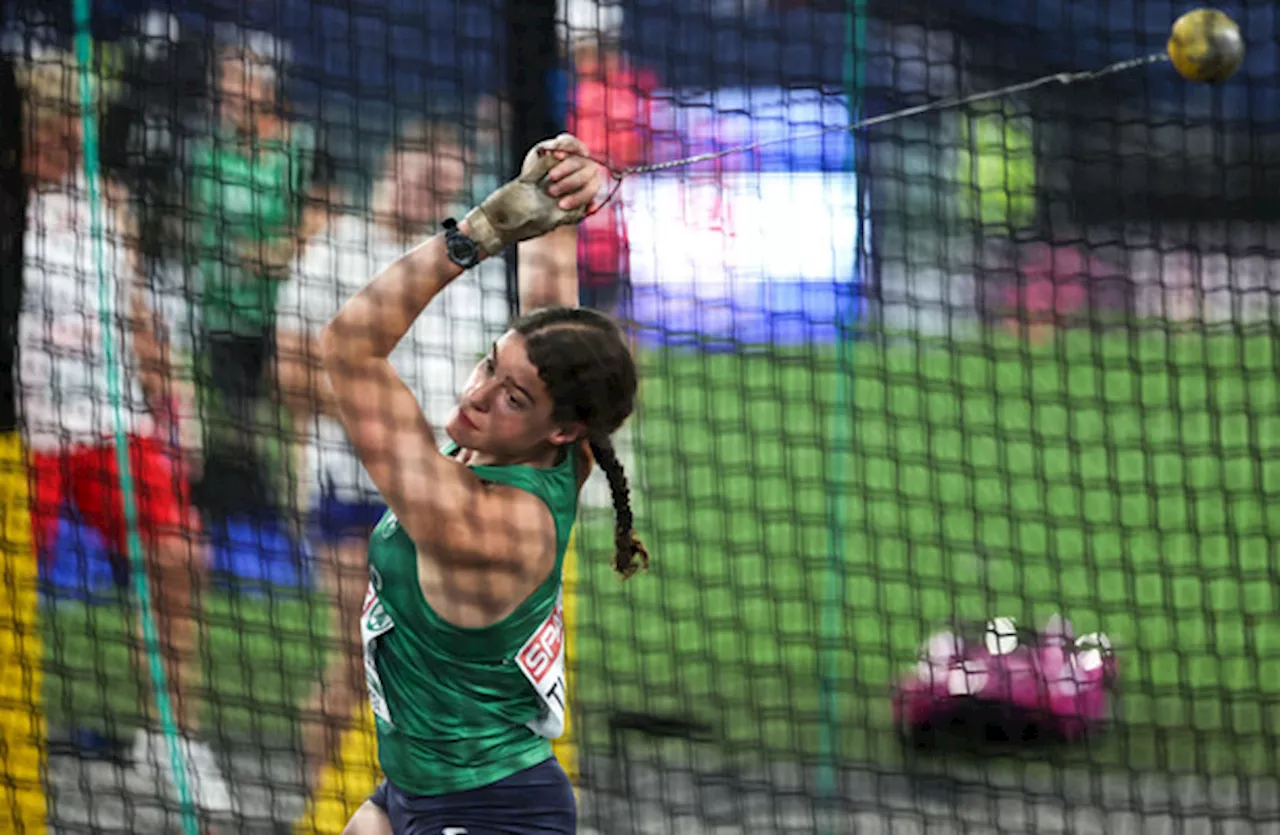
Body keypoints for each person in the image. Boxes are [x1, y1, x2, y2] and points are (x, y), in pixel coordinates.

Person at [322, 133, 647, 834]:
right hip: (409, 791)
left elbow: (349, 345)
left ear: (562, 428)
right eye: (488, 364)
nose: (477, 394)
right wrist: (560, 171)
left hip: (491, 811)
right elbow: (548, 296)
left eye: (513, 396)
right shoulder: (543, 448)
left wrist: (478, 232)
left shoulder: (476, 522)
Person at [14, 54, 233, 815]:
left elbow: (137, 313)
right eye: (57, 122)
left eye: (79, 121)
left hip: (113, 422)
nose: (73, 136)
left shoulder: (107, 200)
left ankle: (171, 739)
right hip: (25, 429)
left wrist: (177, 404)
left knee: (178, 557)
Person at [273, 121, 507, 791]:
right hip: (353, 490)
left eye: (446, 182)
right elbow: (289, 376)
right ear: (392, 161)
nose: (430, 188)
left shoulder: (470, 271)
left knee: (444, 664)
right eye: (422, 171)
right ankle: (322, 805)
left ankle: (419, 805)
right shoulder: (335, 251)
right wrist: (386, 425)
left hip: (443, 494)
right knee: (358, 660)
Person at [185, 27, 317, 519]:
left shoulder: (298, 149)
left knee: (288, 424)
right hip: (222, 314)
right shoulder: (207, 154)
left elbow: (321, 227)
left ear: (266, 90)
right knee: (231, 427)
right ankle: (236, 517)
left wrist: (275, 253)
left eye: (240, 84)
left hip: (283, 315)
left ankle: (296, 519)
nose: (230, 95)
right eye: (224, 85)